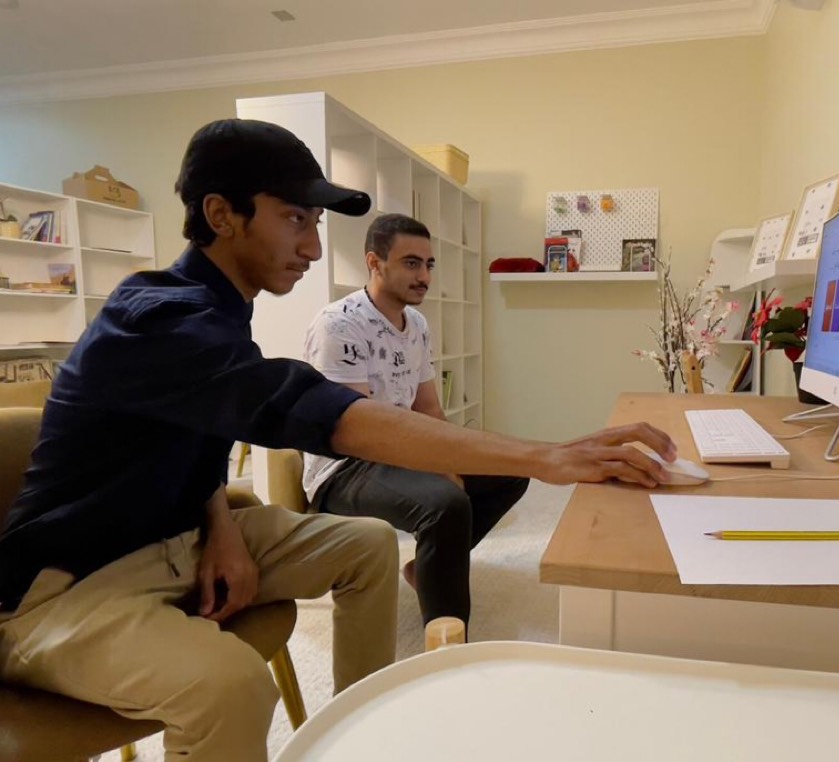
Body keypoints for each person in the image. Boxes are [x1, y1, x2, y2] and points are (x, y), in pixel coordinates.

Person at [0, 118, 675, 761]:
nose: (314, 248)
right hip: (68, 585)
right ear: (221, 214)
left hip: (183, 540)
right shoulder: (156, 319)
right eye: (295, 219)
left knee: (370, 545)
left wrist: (223, 528)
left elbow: (195, 438)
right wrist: (548, 455)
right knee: (231, 685)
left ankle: (358, 728)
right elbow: (324, 412)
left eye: (315, 224)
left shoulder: (221, 312)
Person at [302, 213, 529, 629]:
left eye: (428, 264)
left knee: (511, 472)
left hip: (400, 449)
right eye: (411, 263)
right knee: (446, 503)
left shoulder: (417, 324)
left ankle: (428, 569)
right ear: (374, 263)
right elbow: (359, 434)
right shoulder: (340, 324)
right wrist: (438, 465)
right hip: (344, 467)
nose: (424, 276)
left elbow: (429, 411)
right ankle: (448, 641)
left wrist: (453, 456)